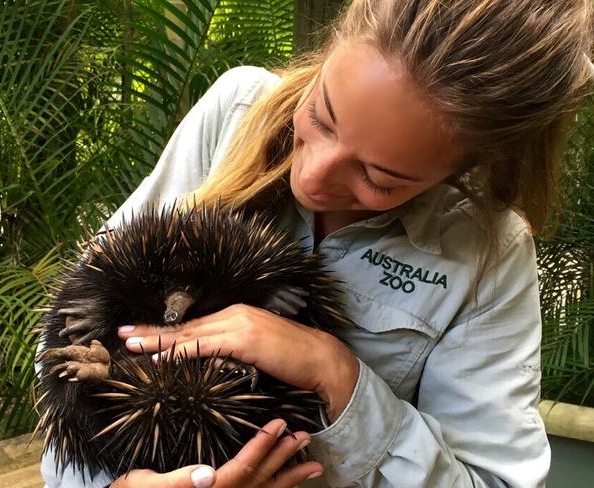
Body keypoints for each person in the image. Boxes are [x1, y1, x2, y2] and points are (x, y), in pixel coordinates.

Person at [40, 0, 594, 487]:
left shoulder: (486, 252)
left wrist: (334, 372)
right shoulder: (235, 111)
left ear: (465, 167)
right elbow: (71, 329)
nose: (311, 178)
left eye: (379, 177)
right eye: (321, 115)